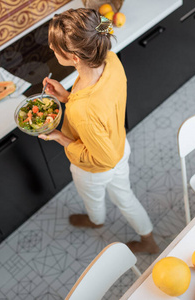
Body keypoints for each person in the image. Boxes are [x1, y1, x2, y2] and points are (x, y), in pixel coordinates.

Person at [38, 8, 159, 254]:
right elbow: (99, 108)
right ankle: (149, 240)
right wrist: (67, 96)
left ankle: (96, 220)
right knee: (124, 196)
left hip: (97, 167)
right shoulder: (111, 60)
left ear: (74, 57)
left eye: (54, 48)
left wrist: (59, 136)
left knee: (92, 197)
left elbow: (102, 158)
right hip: (119, 144)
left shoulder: (82, 109)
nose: (51, 50)